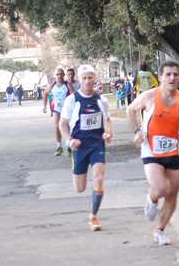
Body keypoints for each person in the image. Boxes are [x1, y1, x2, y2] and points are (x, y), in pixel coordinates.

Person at [126, 60, 179, 245]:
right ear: (160, 78)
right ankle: (151, 200)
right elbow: (130, 110)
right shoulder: (150, 96)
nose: (172, 78)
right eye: (167, 74)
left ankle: (159, 230)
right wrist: (137, 132)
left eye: (175, 74)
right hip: (151, 150)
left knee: (172, 195)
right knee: (160, 188)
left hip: (173, 152)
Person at [59, 64, 113, 232]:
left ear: (94, 79)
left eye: (90, 78)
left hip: (97, 144)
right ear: (79, 80)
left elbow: (108, 120)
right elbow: (62, 124)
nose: (88, 81)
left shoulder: (101, 100)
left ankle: (93, 216)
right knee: (80, 188)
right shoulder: (72, 100)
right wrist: (69, 141)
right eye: (84, 78)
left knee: (99, 178)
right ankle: (76, 167)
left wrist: (108, 133)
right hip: (79, 146)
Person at [43, 68, 75, 156]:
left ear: (64, 75)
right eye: (58, 74)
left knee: (67, 128)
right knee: (57, 127)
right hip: (56, 109)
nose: (59, 76)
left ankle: (69, 146)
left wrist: (74, 108)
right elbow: (45, 94)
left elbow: (74, 97)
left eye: (61, 74)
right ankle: (59, 146)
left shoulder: (68, 85)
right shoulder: (51, 85)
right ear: (55, 76)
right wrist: (44, 106)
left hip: (66, 109)